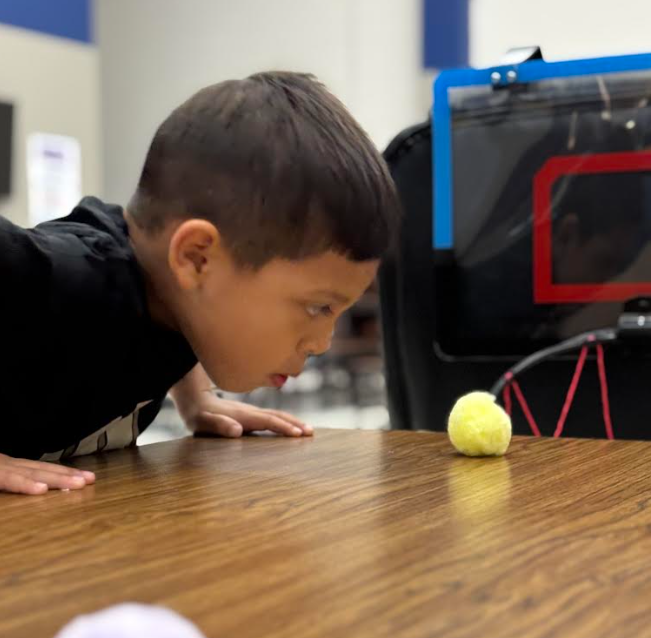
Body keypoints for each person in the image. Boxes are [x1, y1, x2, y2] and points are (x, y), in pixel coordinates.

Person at [0, 71, 399, 495]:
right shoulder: (65, 278)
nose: (321, 343)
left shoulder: (178, 293)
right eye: (318, 307)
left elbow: (170, 301)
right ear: (196, 257)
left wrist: (194, 395)